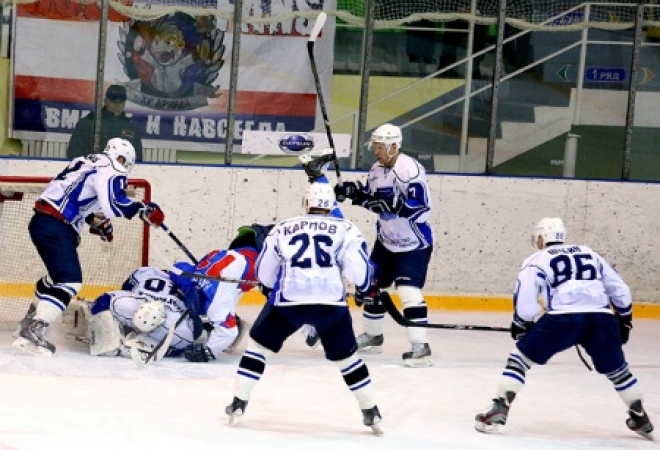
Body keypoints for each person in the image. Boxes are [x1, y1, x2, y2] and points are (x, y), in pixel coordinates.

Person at [474, 218, 654, 441]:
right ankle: (640, 416)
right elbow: (620, 289)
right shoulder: (589, 253)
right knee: (618, 370)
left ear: (541, 238)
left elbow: (526, 298)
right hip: (601, 318)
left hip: (564, 319)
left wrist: (521, 323)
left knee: (519, 359)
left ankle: (499, 408)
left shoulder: (536, 259)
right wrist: (624, 319)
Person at [224, 182, 383, 434]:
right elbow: (360, 271)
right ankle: (371, 411)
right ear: (330, 205)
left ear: (306, 203)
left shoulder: (283, 227)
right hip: (330, 305)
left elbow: (264, 271)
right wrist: (365, 287)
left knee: (258, 349)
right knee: (348, 360)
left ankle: (238, 403)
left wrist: (269, 287)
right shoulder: (347, 229)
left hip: (289, 303)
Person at [12, 138, 165, 356]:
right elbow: (114, 205)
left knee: (55, 279)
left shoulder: (86, 161)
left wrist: (95, 222)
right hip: (56, 226)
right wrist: (144, 208)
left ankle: (26, 324)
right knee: (69, 281)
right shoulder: (112, 167)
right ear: (122, 159)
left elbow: (72, 198)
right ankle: (34, 329)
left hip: (42, 222)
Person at [334, 123, 434, 367]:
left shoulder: (410, 169)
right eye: (375, 146)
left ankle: (420, 346)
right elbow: (373, 200)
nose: (375, 151)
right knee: (371, 285)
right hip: (386, 242)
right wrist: (354, 193)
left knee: (408, 291)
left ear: (393, 146)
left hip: (413, 243)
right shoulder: (376, 169)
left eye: (379, 147)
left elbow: (422, 206)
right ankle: (373, 336)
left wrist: (397, 205)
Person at [167, 224, 273, 362]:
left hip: (251, 252)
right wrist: (208, 351)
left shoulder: (213, 304)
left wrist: (208, 351)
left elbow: (229, 332)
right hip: (243, 250)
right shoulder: (196, 284)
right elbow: (178, 268)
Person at [85, 266, 200, 358]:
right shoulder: (189, 283)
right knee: (187, 340)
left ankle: (114, 335)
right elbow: (197, 326)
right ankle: (157, 346)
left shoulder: (144, 271)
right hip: (168, 322)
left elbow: (125, 288)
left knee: (105, 301)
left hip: (135, 308)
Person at [66, 85, 143, 161]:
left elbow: (137, 158)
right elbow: (73, 153)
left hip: (121, 169)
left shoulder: (131, 127)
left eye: (120, 102)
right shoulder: (89, 122)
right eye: (113, 102)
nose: (117, 106)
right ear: (105, 101)